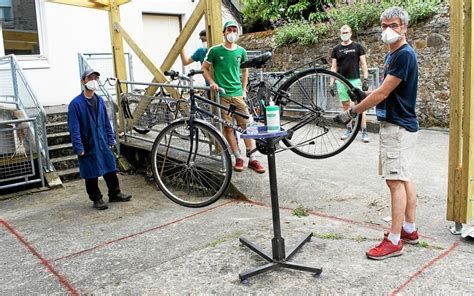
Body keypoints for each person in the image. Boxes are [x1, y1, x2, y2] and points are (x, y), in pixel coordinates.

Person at [334, 7, 419, 260]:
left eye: (393, 25)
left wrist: (352, 112)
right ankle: (409, 230)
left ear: (404, 27)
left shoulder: (403, 54)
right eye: (383, 26)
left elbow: (382, 94)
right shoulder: (394, 54)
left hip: (397, 125)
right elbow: (384, 91)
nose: (387, 30)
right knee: (403, 178)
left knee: (394, 182)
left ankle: (394, 240)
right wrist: (364, 96)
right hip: (402, 124)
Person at [202, 20, 265, 174]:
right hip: (222, 96)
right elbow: (204, 68)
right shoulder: (215, 51)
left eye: (234, 30)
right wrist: (211, 83)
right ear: (224, 32)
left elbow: (245, 71)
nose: (232, 33)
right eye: (229, 30)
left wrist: (244, 89)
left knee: (247, 126)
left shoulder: (241, 51)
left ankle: (253, 158)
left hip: (237, 94)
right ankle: (238, 157)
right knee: (228, 128)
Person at [68, 69, 132, 210]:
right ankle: (96, 198)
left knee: (110, 167)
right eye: (90, 77)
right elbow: (74, 128)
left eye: (95, 78)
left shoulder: (100, 100)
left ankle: (115, 193)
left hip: (102, 141)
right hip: (88, 143)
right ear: (83, 81)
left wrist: (111, 139)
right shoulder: (75, 104)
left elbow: (106, 122)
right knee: (90, 172)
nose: (93, 80)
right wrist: (78, 147)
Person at [330, 24, 370, 143]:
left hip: (354, 80)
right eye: (342, 33)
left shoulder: (357, 47)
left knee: (360, 106)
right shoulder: (336, 49)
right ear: (340, 34)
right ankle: (349, 129)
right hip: (341, 81)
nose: (344, 34)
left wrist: (366, 79)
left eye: (346, 32)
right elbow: (333, 67)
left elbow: (363, 64)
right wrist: (331, 83)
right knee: (346, 107)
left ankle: (364, 130)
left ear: (351, 33)